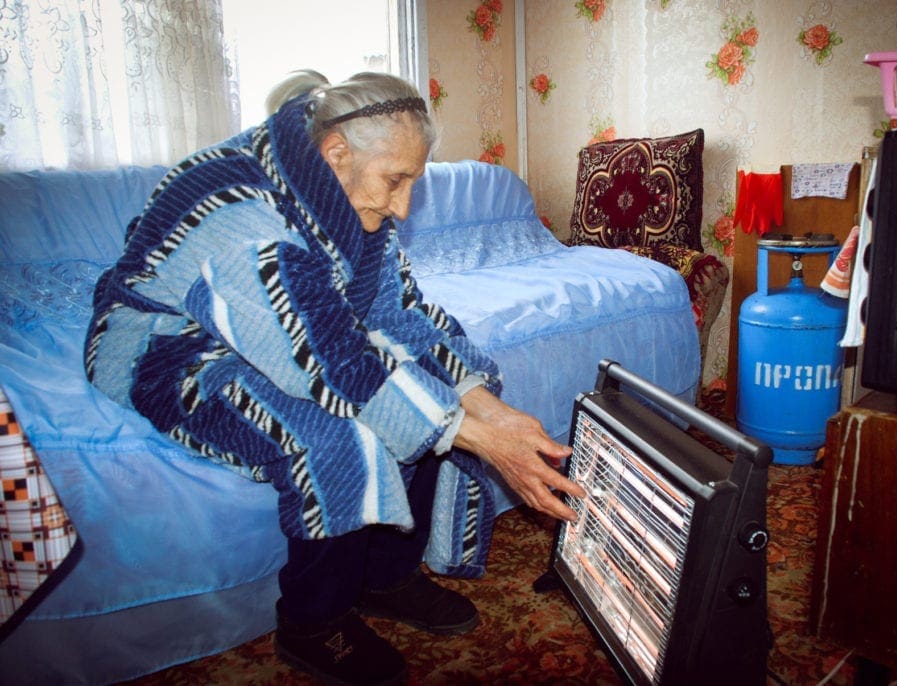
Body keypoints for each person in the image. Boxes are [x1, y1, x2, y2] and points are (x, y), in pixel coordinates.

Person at [84, 70, 584, 686]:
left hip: (278, 320)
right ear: (336, 153)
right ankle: (313, 623)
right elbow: (331, 366)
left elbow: (404, 315)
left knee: (428, 396)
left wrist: (493, 413)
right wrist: (479, 437)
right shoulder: (240, 213)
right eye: (395, 182)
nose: (402, 206)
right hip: (169, 345)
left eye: (412, 183)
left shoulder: (347, 192)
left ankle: (385, 575)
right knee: (342, 434)